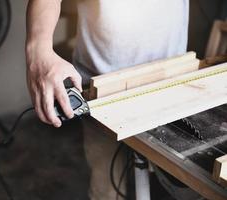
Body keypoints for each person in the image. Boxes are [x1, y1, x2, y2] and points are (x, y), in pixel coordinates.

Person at [26, 0, 189, 199]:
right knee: (106, 190)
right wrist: (38, 50)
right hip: (101, 88)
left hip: (172, 80)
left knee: (176, 186)